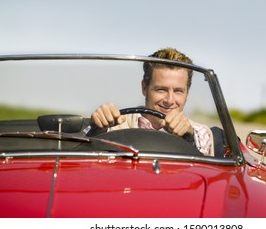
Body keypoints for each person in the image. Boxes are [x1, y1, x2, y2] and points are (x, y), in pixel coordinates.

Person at [84, 48, 214, 156]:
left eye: (178, 91)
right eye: (161, 90)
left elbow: (205, 167)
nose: (169, 100)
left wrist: (188, 137)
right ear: (144, 88)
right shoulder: (113, 125)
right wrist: (98, 128)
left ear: (187, 94)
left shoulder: (199, 133)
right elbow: (81, 150)